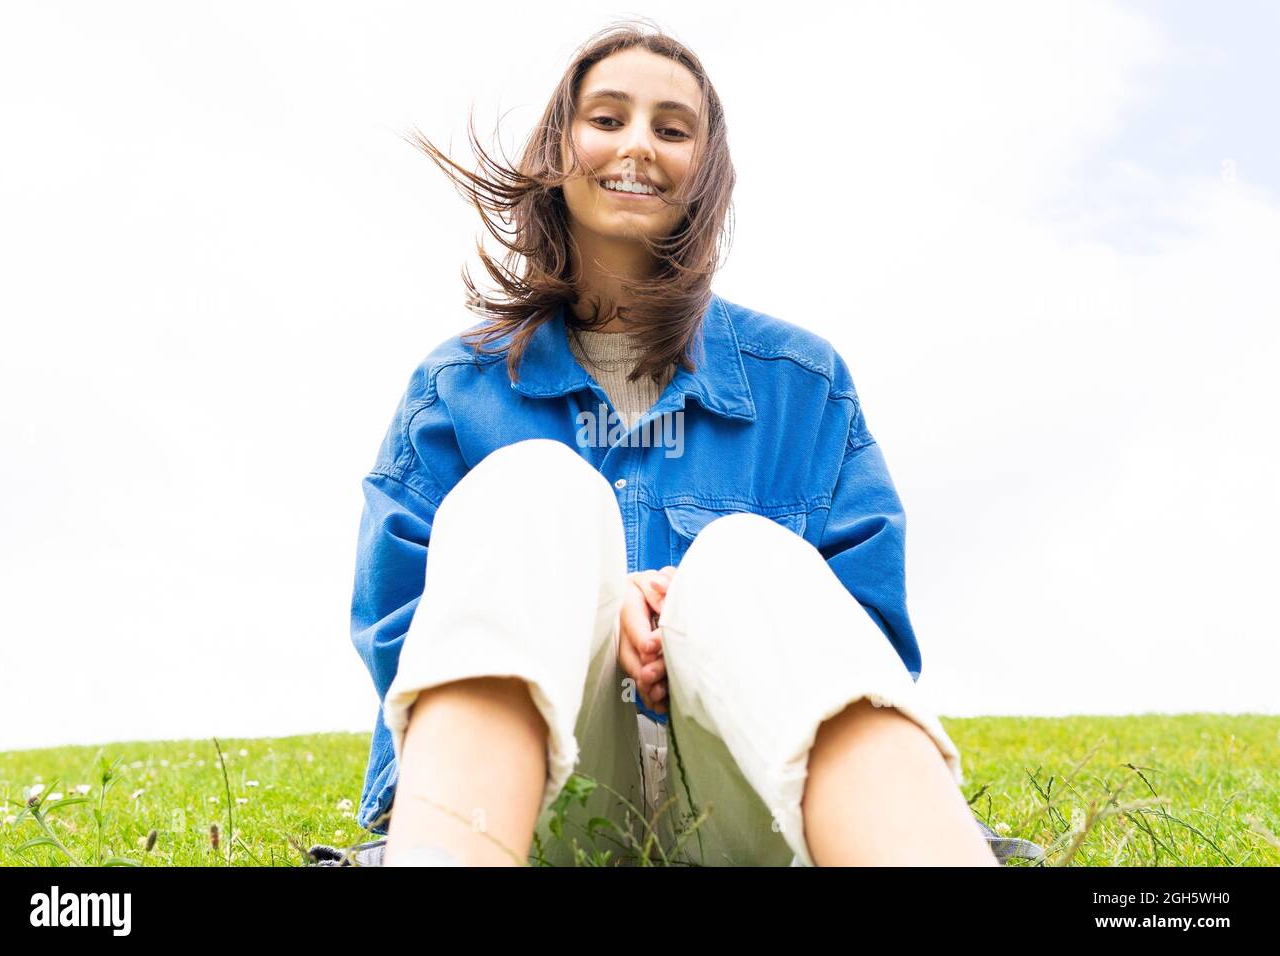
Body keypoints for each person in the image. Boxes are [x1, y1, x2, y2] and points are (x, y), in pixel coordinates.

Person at [348, 19, 1000, 867]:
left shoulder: (804, 386)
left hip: (748, 807)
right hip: (544, 800)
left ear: (706, 170)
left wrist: (688, 621)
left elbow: (865, 637)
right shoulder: (455, 391)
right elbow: (405, 633)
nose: (638, 146)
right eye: (607, 118)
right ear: (559, 148)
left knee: (741, 559)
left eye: (672, 127)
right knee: (532, 491)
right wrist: (587, 605)